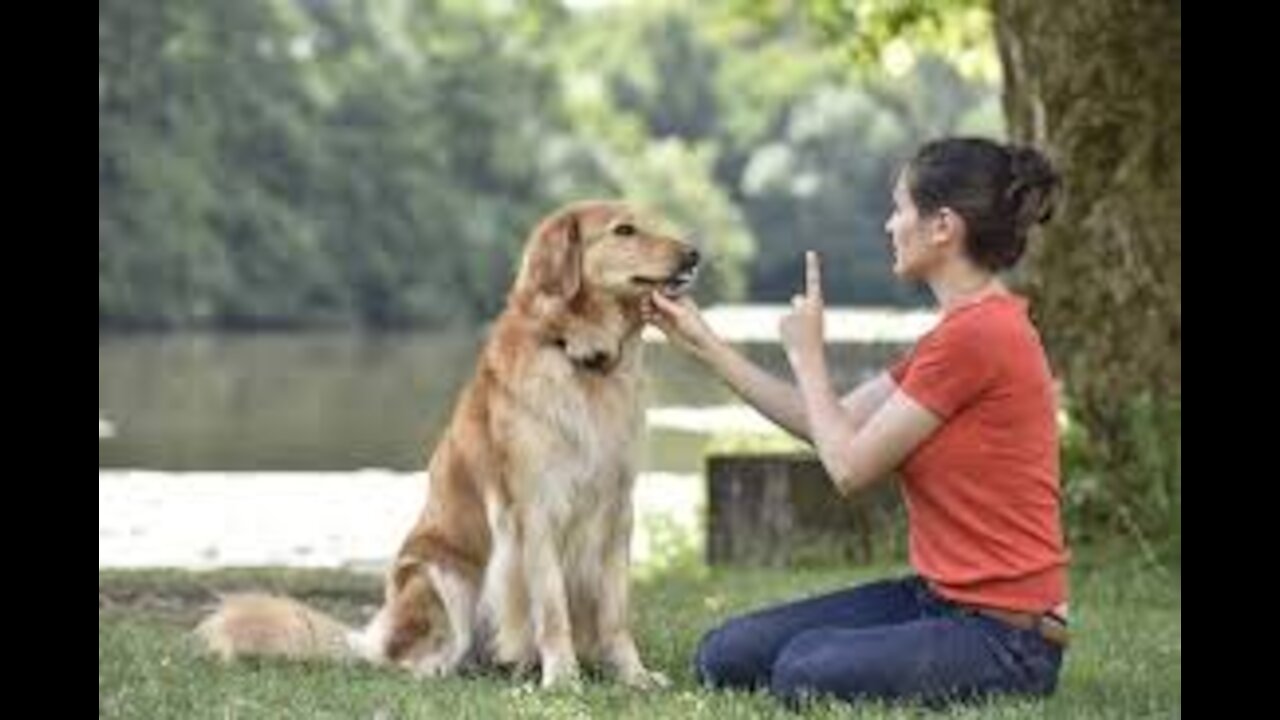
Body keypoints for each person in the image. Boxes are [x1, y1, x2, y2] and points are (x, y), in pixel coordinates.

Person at [642, 137, 1069, 708]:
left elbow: (845, 468)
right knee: (725, 654)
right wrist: (705, 346)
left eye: (900, 209)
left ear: (943, 226)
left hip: (1008, 639)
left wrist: (808, 355)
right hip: (938, 599)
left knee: (803, 670)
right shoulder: (954, 336)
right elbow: (831, 423)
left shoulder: (979, 337)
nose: (890, 225)